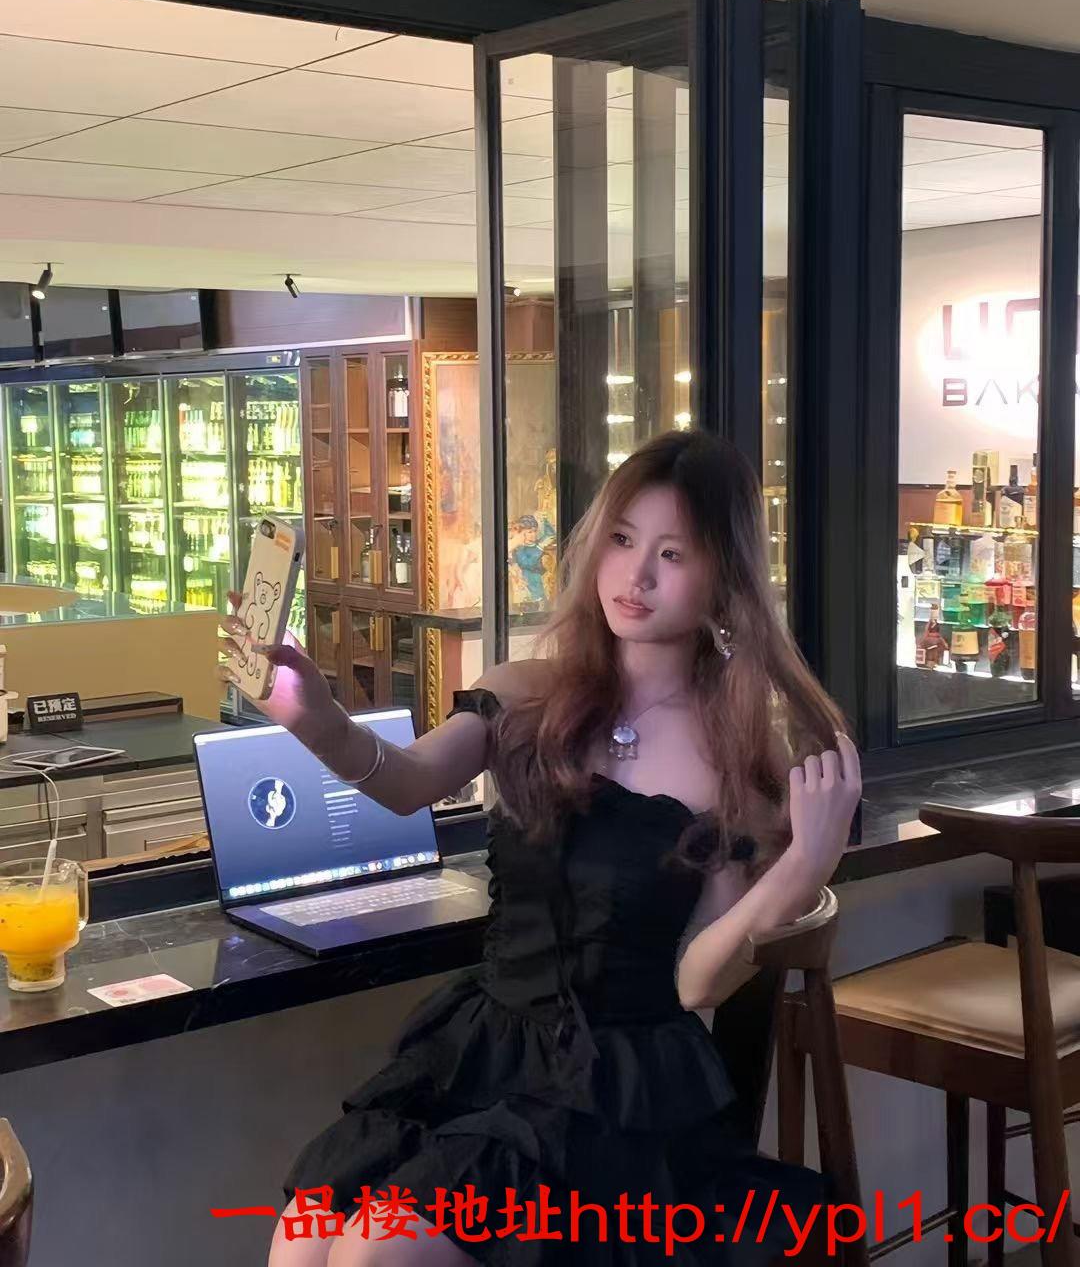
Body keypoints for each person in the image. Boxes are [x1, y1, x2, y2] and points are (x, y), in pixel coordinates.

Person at [219, 429, 861, 1267]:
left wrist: (804, 868)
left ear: (724, 579)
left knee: (379, 1252)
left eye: (671, 554)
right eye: (622, 540)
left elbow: (697, 982)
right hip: (482, 1051)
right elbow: (407, 783)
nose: (635, 575)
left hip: (615, 1094)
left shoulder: (736, 754)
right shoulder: (528, 694)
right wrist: (314, 717)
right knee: (304, 1239)